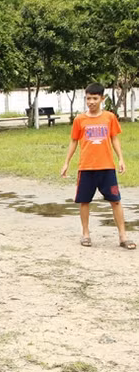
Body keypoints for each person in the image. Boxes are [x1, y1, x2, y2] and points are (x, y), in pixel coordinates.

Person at [61, 82, 134, 249]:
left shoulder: (109, 117)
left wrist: (121, 159)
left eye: (95, 98)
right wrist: (66, 163)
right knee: (84, 201)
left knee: (115, 201)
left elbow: (115, 138)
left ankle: (123, 236)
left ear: (102, 98)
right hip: (86, 168)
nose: (91, 102)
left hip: (107, 168)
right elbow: (74, 141)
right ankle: (85, 234)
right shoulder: (80, 119)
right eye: (88, 98)